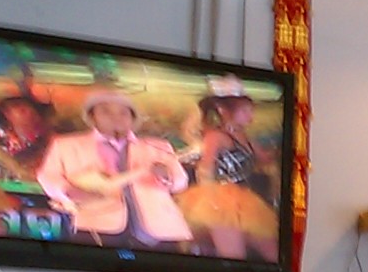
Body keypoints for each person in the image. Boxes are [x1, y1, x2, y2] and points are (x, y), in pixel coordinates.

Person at [36, 90, 192, 248]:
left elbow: (181, 182)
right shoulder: (66, 145)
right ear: (92, 117)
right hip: (96, 226)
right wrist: (68, 191)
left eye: (123, 112)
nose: (115, 117)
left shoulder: (158, 146)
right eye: (106, 111)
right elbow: (48, 176)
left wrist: (166, 175)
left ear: (132, 118)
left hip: (161, 230)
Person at [174, 88, 280, 261]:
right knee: (233, 256)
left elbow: (265, 158)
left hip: (246, 202)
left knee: (273, 254)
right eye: (245, 110)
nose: (250, 115)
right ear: (224, 111)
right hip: (220, 200)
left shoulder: (245, 137)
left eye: (251, 110)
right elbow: (205, 168)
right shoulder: (216, 136)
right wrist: (212, 200)